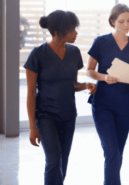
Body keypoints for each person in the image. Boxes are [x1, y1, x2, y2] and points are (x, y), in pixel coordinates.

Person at [24, 10, 97, 185]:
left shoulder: (74, 53)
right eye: (72, 29)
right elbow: (31, 93)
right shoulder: (37, 54)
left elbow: (72, 84)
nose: (76, 33)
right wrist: (32, 127)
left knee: (62, 163)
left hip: (68, 116)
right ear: (57, 32)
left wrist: (85, 85)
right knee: (54, 161)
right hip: (46, 116)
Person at [86, 4, 129, 185]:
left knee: (118, 152)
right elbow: (89, 70)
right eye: (121, 21)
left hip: (125, 106)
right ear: (113, 22)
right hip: (103, 103)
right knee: (111, 151)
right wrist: (104, 77)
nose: (126, 25)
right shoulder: (100, 42)